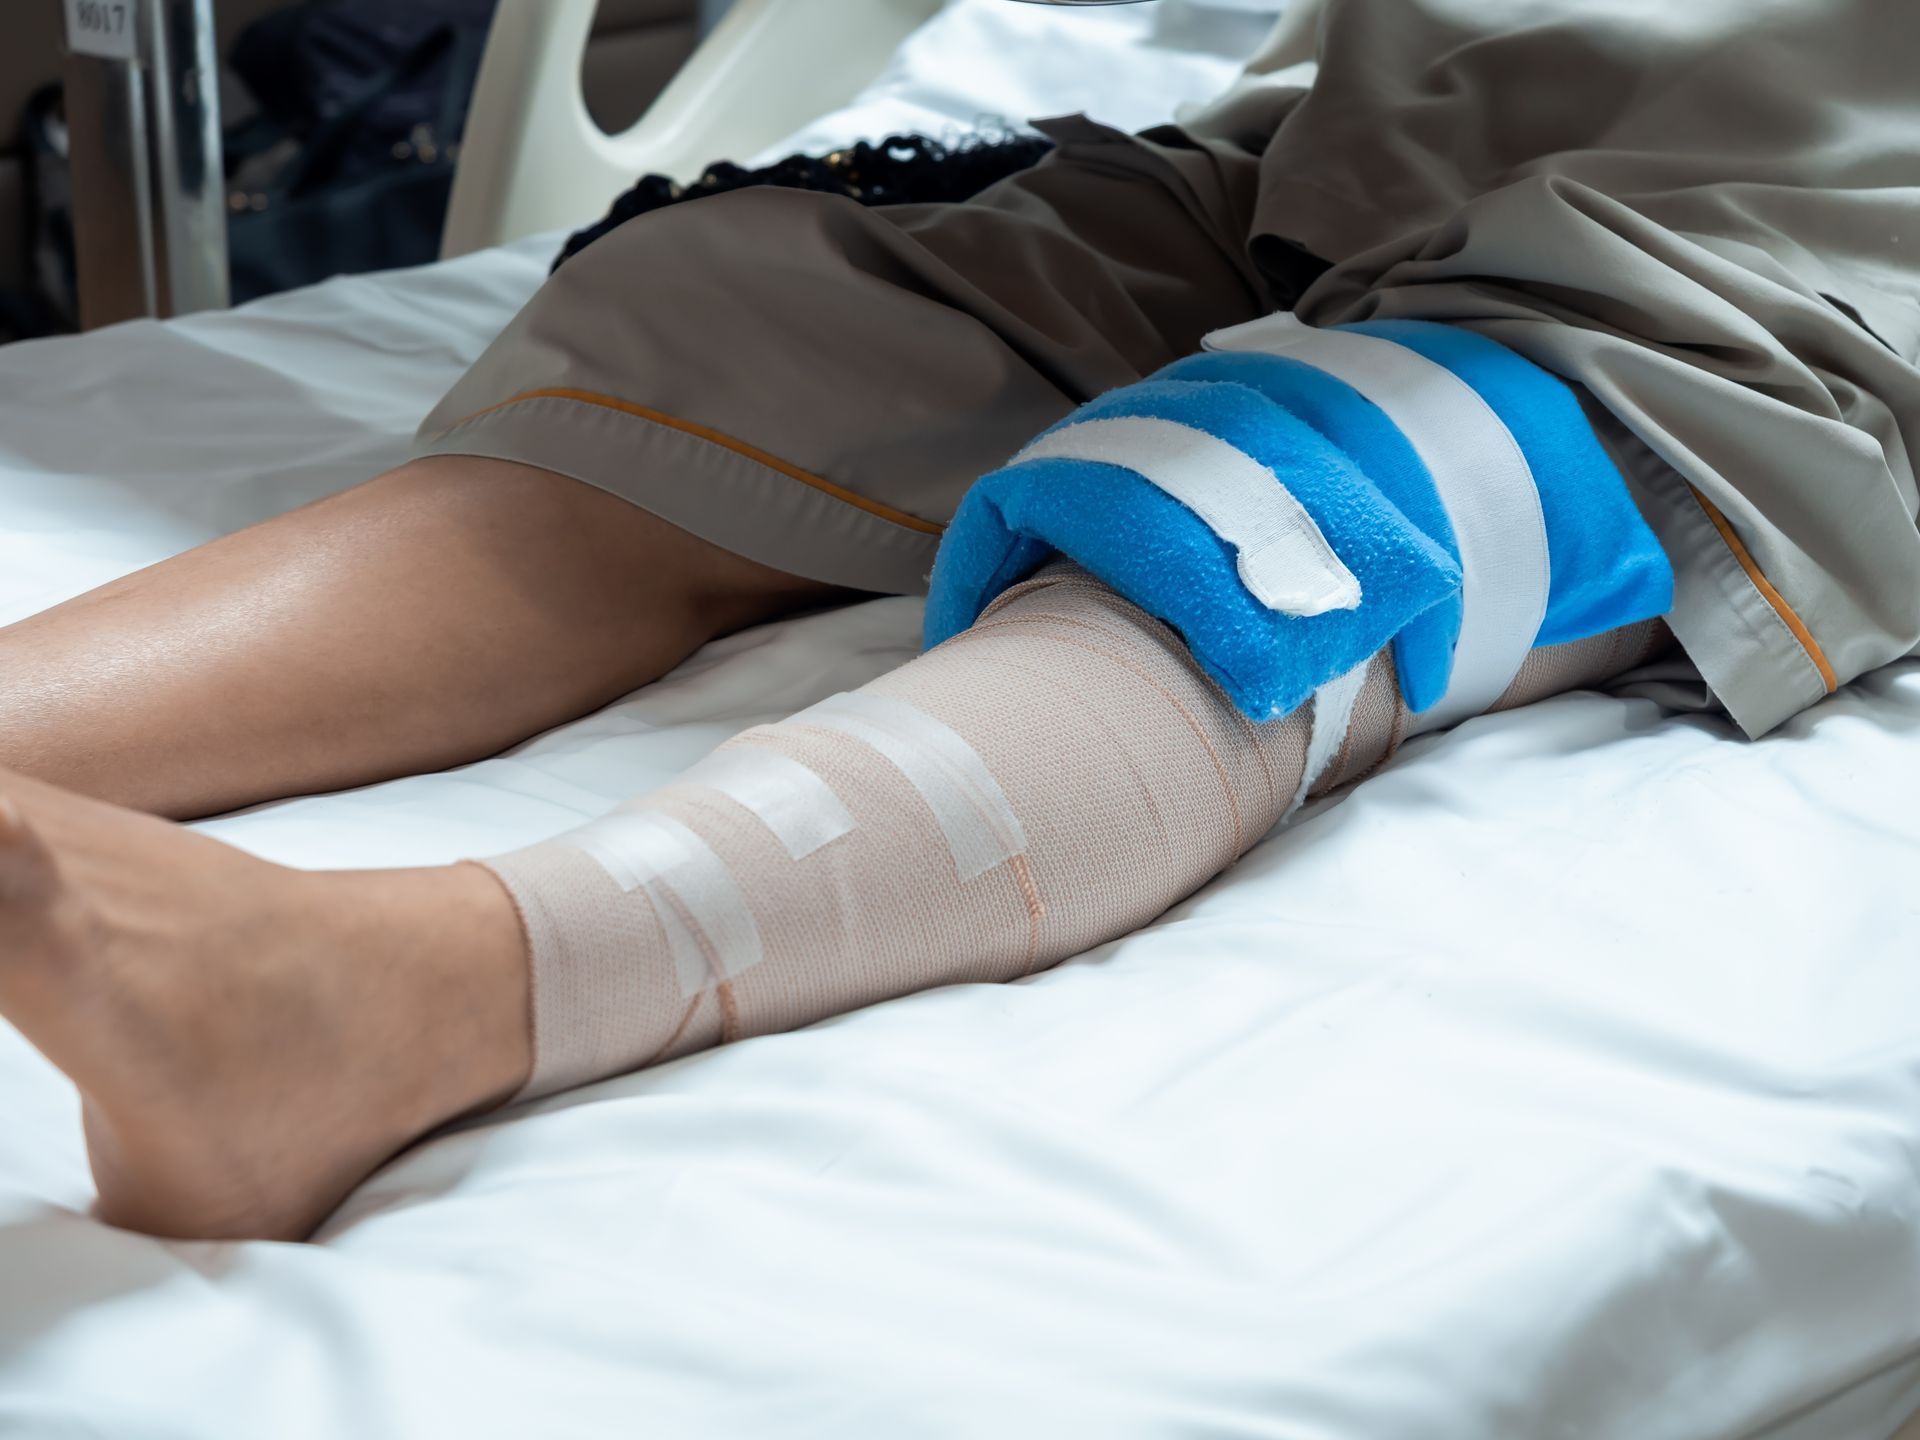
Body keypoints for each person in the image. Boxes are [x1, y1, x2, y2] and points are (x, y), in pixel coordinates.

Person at [0, 0, 1913, 1244]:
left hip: (1832, 194)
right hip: (1396, 125)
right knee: (750, 324)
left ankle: (410, 992)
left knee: (1290, 530)